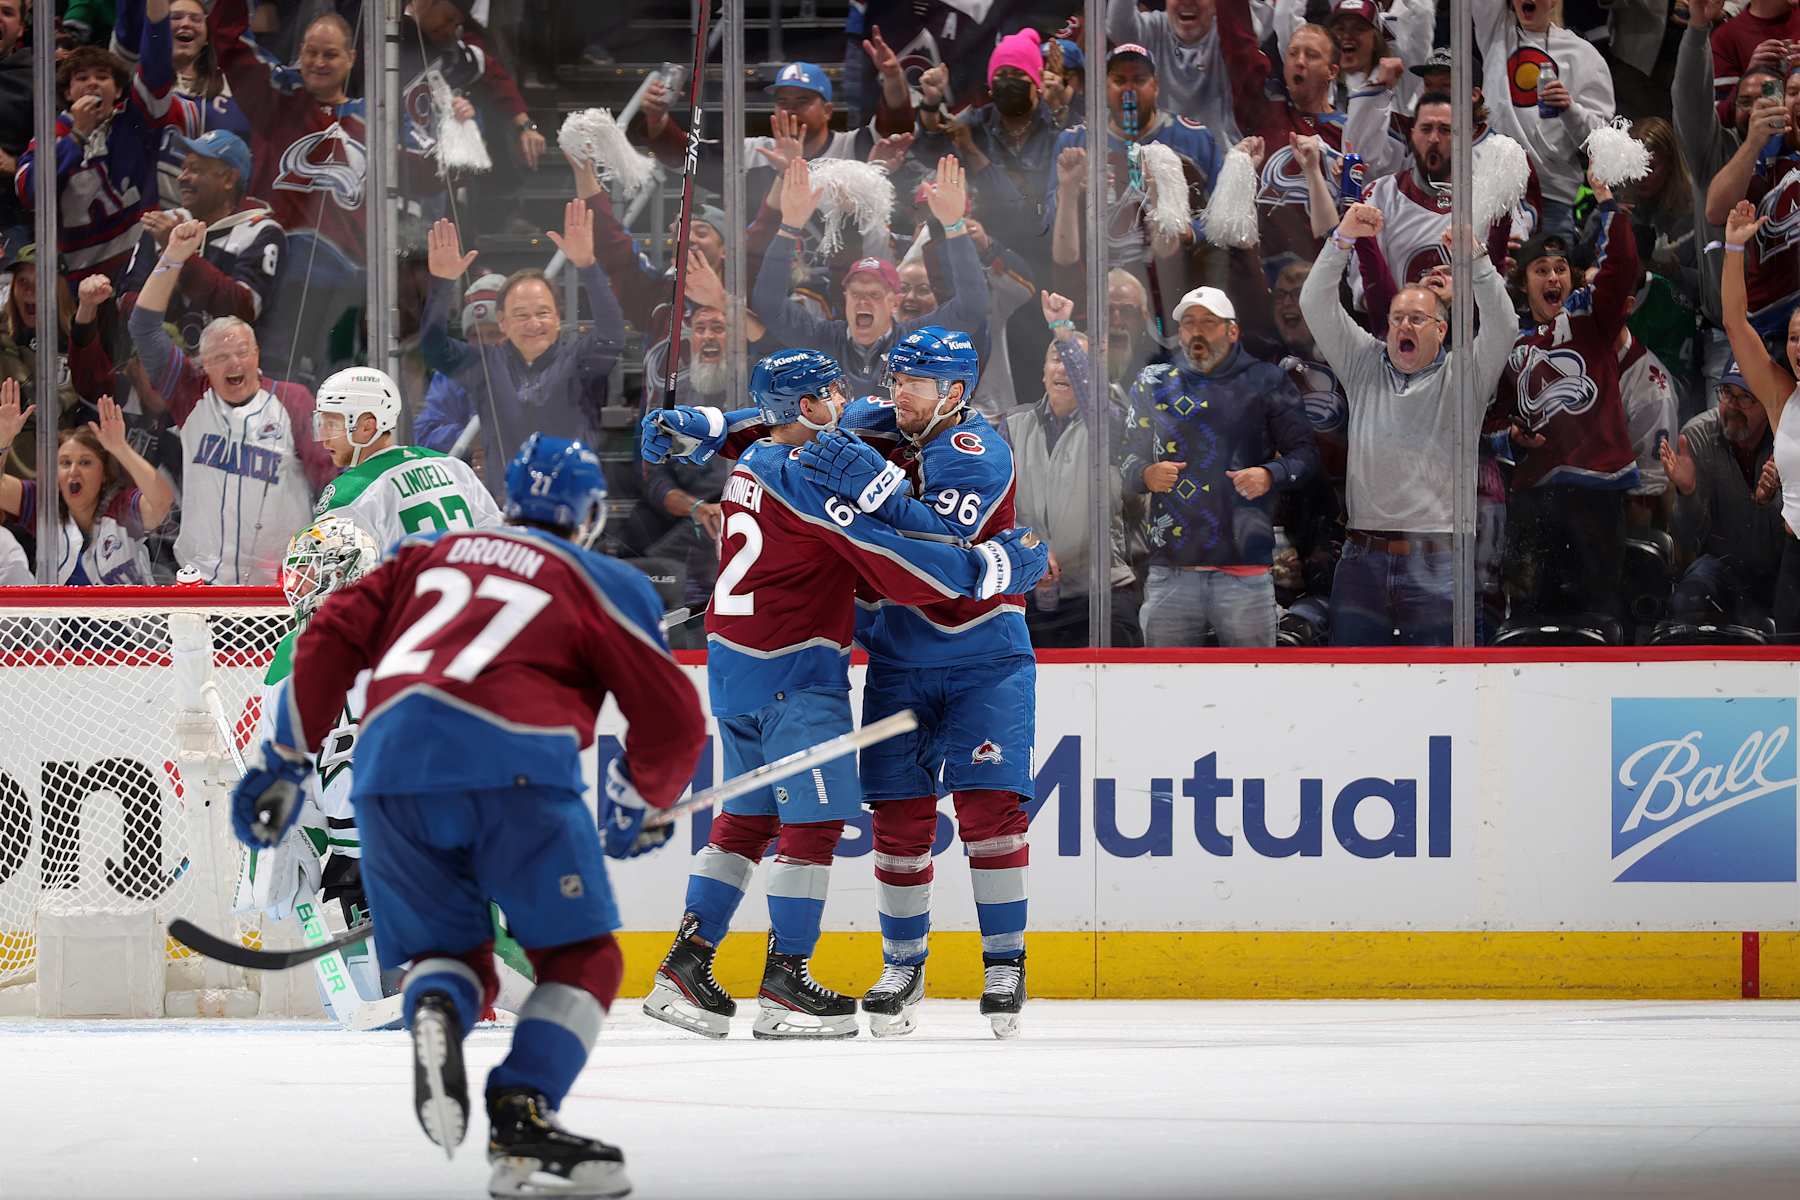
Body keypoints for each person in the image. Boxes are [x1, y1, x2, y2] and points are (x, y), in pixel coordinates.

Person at [230, 434, 707, 1192]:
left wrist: (284, 763)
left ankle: (434, 1005)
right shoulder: (602, 578)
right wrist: (639, 798)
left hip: (388, 777)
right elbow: (674, 724)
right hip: (511, 768)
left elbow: (326, 638)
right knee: (584, 960)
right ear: (588, 515)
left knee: (452, 956)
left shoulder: (422, 555)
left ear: (511, 504)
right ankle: (522, 1117)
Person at [637, 350, 1047, 1041]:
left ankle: (684, 966)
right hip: (795, 670)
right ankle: (786, 984)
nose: (847, 399)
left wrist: (702, 425)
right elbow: (894, 561)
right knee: (816, 825)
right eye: (830, 391)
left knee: (745, 818)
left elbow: (761, 424)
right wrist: (992, 566)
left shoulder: (757, 460)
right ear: (805, 407)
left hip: (736, 667)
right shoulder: (810, 477)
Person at [1298, 201, 1517, 644]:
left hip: (1440, 562)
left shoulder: (1466, 375)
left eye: (1417, 319)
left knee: (1442, 682)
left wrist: (1477, 262)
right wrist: (1342, 239)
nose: (1404, 326)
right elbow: (1314, 303)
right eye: (1397, 318)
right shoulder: (1363, 364)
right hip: (1362, 559)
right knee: (1355, 679)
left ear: (1442, 329)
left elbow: (1504, 325)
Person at [129, 217, 333, 583]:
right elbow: (142, 327)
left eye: (242, 353)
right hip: (202, 583)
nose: (234, 363)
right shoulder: (190, 393)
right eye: (221, 357)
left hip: (281, 586)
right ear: (204, 365)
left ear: (256, 354)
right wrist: (173, 256)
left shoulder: (294, 400)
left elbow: (331, 481)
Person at [1120, 285, 1318, 646]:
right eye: (1189, 323)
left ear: (1232, 331)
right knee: (1162, 678)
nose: (1196, 331)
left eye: (1208, 323)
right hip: (1170, 571)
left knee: (1252, 678)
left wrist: (1269, 474)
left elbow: (1305, 456)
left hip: (1244, 571)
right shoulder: (1154, 382)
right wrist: (1146, 474)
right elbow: (1125, 458)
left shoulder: (1266, 381)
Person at [1492, 188, 1640, 623]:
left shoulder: (1592, 321)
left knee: (1596, 620)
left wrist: (1607, 204)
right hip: (1533, 499)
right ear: (1523, 283)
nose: (1553, 277)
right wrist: (1511, 437)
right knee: (1529, 620)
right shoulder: (1507, 344)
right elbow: (1488, 419)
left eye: (1560, 269)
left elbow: (1622, 266)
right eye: (1541, 270)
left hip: (1597, 492)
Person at [208, 0, 366, 384]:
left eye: (330, 54)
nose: (318, 62)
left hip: (349, 284)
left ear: (351, 58)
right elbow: (229, 42)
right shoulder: (277, 99)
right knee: (274, 380)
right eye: (310, 52)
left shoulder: (374, 119)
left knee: (340, 385)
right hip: (281, 275)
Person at [419, 204, 627, 496]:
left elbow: (613, 335)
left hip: (570, 507)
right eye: (521, 315)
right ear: (502, 322)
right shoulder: (484, 364)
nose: (533, 323)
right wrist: (442, 284)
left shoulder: (581, 360)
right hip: (505, 508)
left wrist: (588, 266)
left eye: (543, 313)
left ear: (558, 318)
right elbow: (433, 347)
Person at [753, 156, 991, 398]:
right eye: (856, 293)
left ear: (894, 303)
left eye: (875, 294)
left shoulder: (915, 341)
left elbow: (972, 308)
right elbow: (769, 304)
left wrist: (953, 226)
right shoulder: (823, 339)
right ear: (845, 298)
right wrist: (789, 226)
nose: (863, 301)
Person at [14, 0, 199, 281]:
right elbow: (30, 193)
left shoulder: (135, 121)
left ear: (119, 90)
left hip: (139, 269)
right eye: (82, 78)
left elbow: (156, 67)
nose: (93, 83)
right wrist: (77, 135)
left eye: (102, 77)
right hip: (77, 278)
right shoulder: (49, 137)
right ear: (67, 92)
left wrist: (157, 9)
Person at [1006, 291, 1144, 647]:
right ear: (1042, 373)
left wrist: (1063, 331)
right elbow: (995, 505)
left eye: (1075, 361)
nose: (1063, 367)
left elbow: (1093, 398)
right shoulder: (1012, 426)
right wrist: (1028, 547)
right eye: (1056, 358)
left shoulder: (1110, 423)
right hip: (1033, 591)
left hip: (1102, 595)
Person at [121, 128, 284, 352]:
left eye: (195, 169)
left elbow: (244, 309)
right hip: (157, 361)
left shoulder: (262, 232)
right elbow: (126, 299)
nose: (182, 177)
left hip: (226, 365)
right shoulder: (165, 223)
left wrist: (178, 253)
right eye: (183, 168)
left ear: (229, 179)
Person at [1718, 198, 1800, 631]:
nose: (1799, 347)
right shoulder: (1782, 397)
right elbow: (1735, 323)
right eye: (1794, 338)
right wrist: (1734, 248)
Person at [0, 382, 175, 584]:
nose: (73, 471)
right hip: (60, 607)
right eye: (65, 463)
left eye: (85, 462)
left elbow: (162, 502)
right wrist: (3, 440)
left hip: (126, 606)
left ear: (104, 474)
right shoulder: (43, 504)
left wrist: (120, 448)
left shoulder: (122, 508)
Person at [1472, 0, 1617, 240]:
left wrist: (1570, 109)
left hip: (1552, 200)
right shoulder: (1497, 33)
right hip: (1494, 192)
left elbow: (1602, 143)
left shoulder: (1583, 55)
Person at [309, 365, 502, 537]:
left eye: (332, 425)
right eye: (322, 425)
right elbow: (497, 536)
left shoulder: (348, 497)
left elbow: (327, 564)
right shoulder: (452, 466)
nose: (325, 440)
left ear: (367, 427)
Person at [1662, 366, 1788, 624]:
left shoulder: (1789, 440)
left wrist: (1768, 502)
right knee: (1686, 601)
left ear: (1768, 402)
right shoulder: (1697, 436)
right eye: (1727, 393)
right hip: (1722, 565)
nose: (1732, 405)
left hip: (1781, 567)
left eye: (1746, 397)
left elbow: (1789, 536)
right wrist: (1688, 493)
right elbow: (1687, 538)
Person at [1106, 0, 1241, 142]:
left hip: (1219, 152)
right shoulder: (1152, 28)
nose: (1187, 1)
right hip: (1156, 150)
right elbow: (1117, 27)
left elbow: (1257, 22)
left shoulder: (1232, 34)